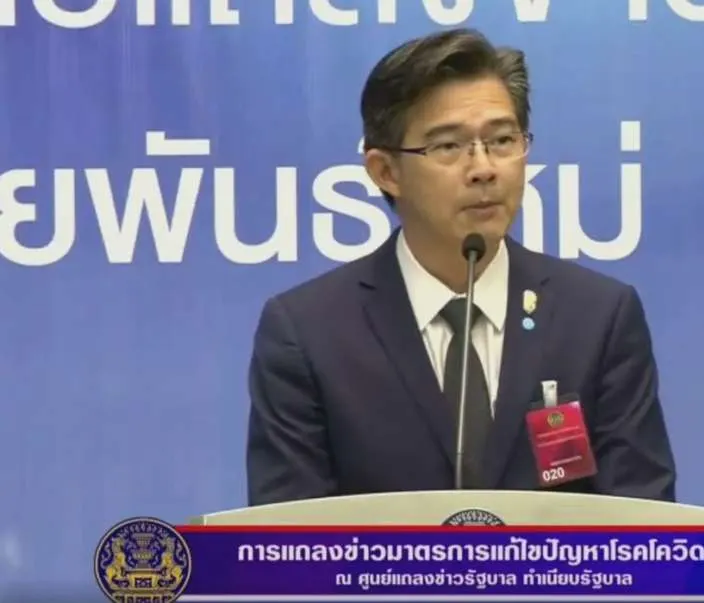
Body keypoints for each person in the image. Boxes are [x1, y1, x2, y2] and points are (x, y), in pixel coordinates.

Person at [245, 28, 676, 506]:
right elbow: (285, 539)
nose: (484, 168)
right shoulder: (309, 334)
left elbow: (645, 523)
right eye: (449, 146)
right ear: (386, 171)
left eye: (503, 140)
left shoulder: (597, 318)